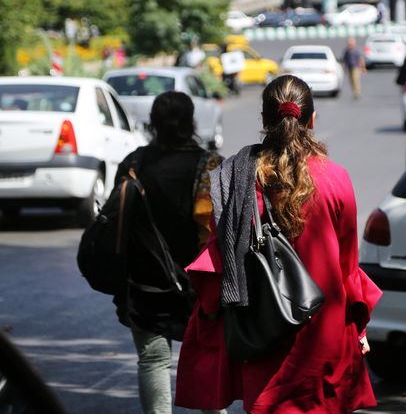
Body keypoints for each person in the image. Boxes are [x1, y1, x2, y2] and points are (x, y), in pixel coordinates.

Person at [175, 74, 383, 413]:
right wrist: (359, 327)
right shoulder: (336, 178)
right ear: (312, 120)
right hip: (323, 337)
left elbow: (218, 260)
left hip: (263, 338)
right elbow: (348, 269)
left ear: (264, 119)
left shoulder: (236, 179)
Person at [113, 91, 224, 414]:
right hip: (201, 286)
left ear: (153, 123)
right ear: (191, 122)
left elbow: (117, 223)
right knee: (207, 359)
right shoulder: (210, 166)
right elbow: (221, 230)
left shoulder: (133, 164)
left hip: (144, 283)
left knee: (153, 360)